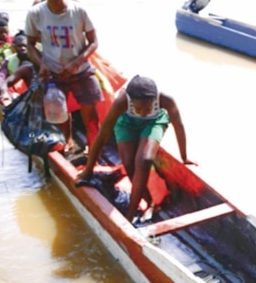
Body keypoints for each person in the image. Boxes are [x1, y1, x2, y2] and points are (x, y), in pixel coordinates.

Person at [76, 75, 194, 224]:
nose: (143, 112)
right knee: (129, 164)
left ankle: (130, 215)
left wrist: (184, 157)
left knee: (144, 160)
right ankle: (149, 200)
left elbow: (179, 126)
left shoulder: (165, 100)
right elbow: (102, 135)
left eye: (147, 107)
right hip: (127, 123)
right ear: (130, 101)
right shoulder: (121, 102)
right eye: (139, 108)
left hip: (154, 122)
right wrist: (88, 170)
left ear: (154, 100)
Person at [25, 0, 101, 152]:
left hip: (81, 70)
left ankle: (94, 149)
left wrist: (76, 62)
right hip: (53, 73)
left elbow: (93, 42)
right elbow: (30, 45)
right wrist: (41, 64)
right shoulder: (35, 13)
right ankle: (67, 142)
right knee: (60, 112)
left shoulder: (79, 11)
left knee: (90, 114)